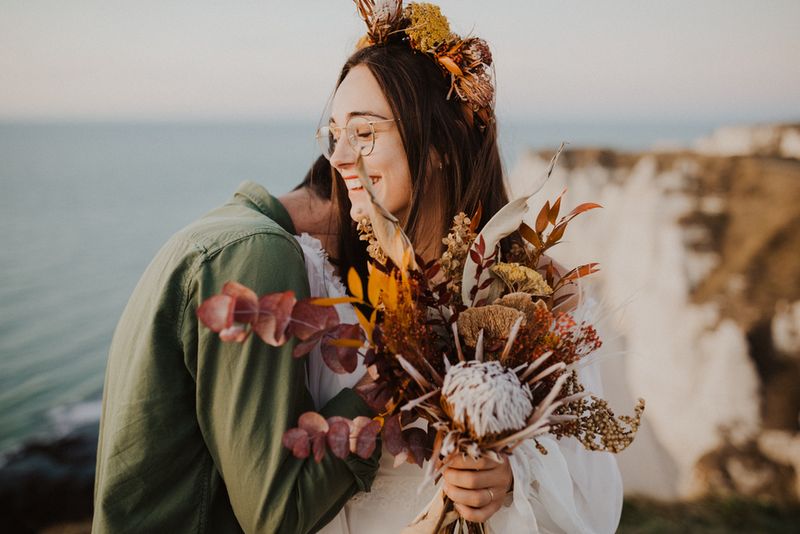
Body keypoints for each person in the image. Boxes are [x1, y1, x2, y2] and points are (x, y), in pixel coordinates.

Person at [301, 1, 624, 532]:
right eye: (333, 134)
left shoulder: (541, 295)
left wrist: (514, 473)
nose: (337, 157)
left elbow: (599, 501)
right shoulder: (328, 285)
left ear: (440, 145)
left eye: (363, 134)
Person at [92, 163, 380, 532]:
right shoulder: (258, 253)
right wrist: (382, 384)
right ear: (356, 194)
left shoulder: (223, 231)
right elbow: (278, 515)